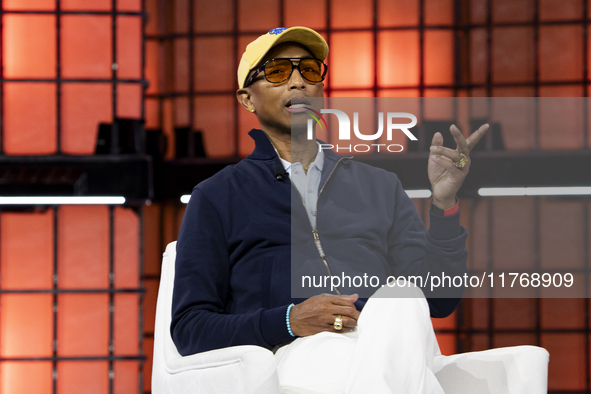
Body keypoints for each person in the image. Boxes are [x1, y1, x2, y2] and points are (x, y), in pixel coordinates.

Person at [171, 26, 488, 393]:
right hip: (298, 352)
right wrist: (290, 320)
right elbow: (190, 328)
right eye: (277, 72)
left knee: (402, 299)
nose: (298, 83)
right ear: (247, 99)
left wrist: (444, 204)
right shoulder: (217, 196)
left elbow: (439, 297)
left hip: (389, 336)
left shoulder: (380, 185)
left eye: (308, 70)